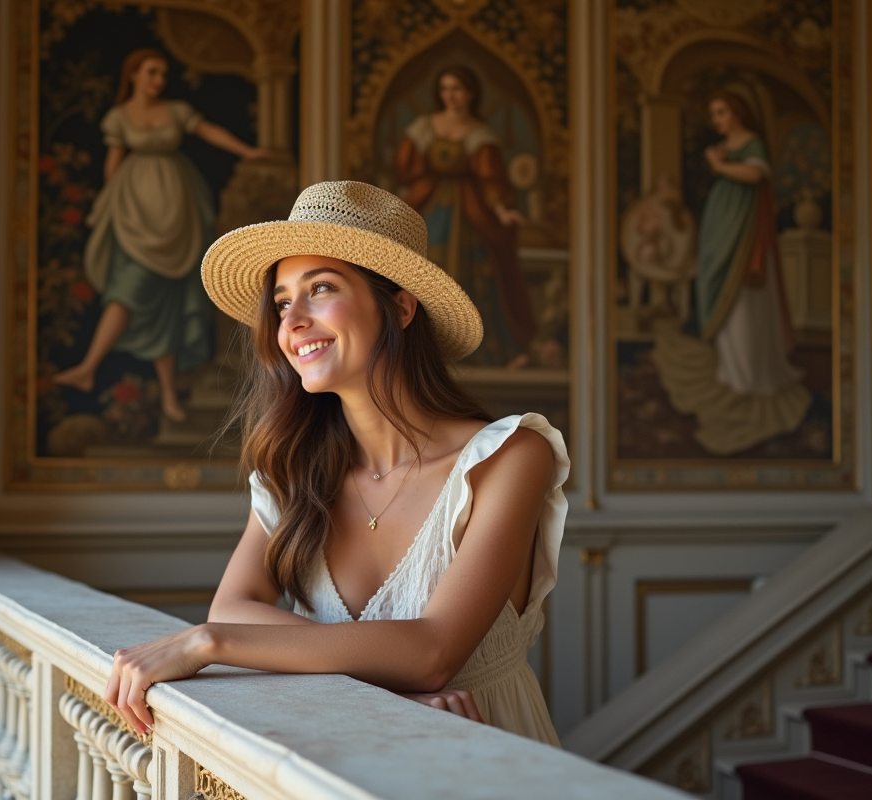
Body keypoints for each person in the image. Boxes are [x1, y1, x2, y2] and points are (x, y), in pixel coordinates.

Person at [103, 181, 570, 744]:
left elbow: (433, 652)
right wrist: (387, 685)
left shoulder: (509, 456)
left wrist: (208, 641)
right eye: (282, 302)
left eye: (320, 288)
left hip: (485, 759)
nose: (291, 322)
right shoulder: (293, 469)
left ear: (399, 308)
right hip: (335, 757)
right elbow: (235, 604)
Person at [54, 48, 266, 422]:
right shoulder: (119, 117)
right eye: (152, 72)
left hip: (177, 213)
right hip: (135, 215)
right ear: (134, 75)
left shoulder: (176, 110)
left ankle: (168, 393)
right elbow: (113, 164)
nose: (159, 80)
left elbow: (207, 131)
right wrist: (110, 208)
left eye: (163, 74)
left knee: (170, 303)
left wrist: (245, 151)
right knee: (126, 289)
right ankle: (88, 367)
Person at [395, 65, 536, 369]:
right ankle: (422, 347)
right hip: (428, 204)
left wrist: (502, 211)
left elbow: (490, 180)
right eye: (445, 89)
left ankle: (474, 346)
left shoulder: (480, 134)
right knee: (424, 271)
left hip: (469, 210)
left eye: (457, 89)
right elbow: (406, 171)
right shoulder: (424, 127)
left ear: (471, 93)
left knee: (470, 276)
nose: (450, 96)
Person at [696, 89, 801, 396]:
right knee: (719, 287)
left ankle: (749, 374)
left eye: (721, 112)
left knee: (743, 300)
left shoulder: (752, 143)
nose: (716, 119)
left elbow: (756, 174)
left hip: (744, 231)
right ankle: (730, 369)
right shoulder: (722, 148)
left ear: (738, 112)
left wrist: (719, 166)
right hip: (721, 230)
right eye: (713, 114)